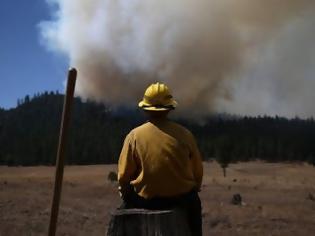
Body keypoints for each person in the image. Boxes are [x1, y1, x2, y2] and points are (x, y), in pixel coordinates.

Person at [117, 82, 203, 235]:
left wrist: (125, 194)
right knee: (195, 204)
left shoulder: (134, 136)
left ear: (145, 108)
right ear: (169, 108)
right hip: (182, 200)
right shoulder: (185, 135)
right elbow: (197, 173)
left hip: (145, 200)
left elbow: (123, 176)